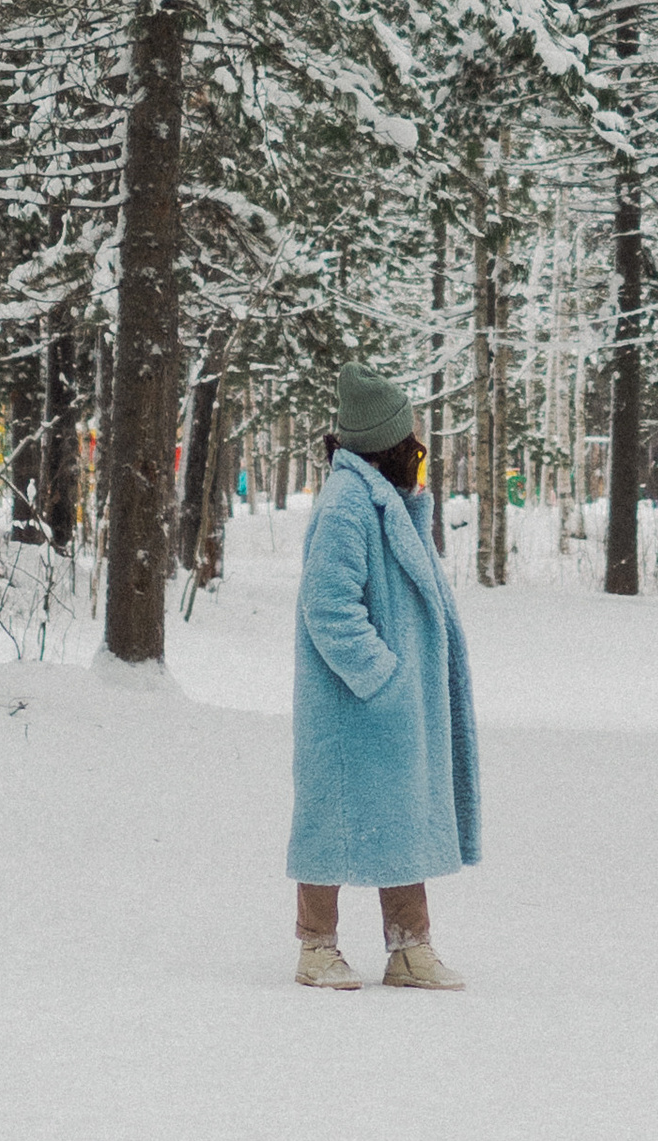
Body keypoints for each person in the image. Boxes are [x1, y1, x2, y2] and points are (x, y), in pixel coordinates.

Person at [286, 359, 480, 990]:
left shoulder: (381, 499)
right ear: (386, 441)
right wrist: (382, 677)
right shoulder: (347, 505)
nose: (417, 444)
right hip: (356, 704)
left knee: (400, 815)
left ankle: (409, 948)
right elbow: (328, 606)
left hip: (388, 705)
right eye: (409, 433)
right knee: (332, 818)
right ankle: (316, 947)